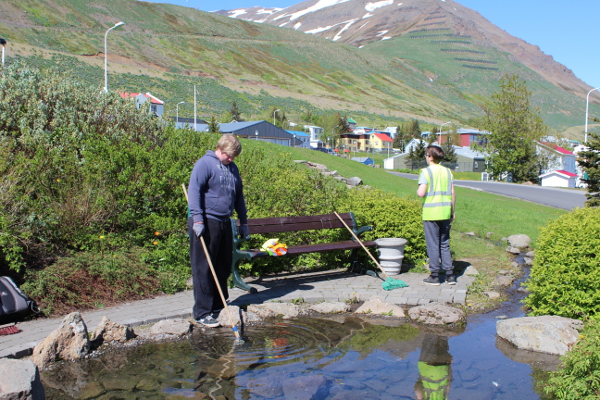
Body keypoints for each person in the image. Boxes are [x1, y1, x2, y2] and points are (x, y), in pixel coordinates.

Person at [187, 134, 249, 327]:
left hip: (224, 221)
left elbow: (238, 196)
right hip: (206, 221)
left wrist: (244, 222)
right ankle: (202, 313)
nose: (230, 160)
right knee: (204, 268)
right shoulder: (205, 164)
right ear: (219, 149)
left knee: (222, 266)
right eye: (228, 156)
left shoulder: (232, 168)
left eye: (233, 157)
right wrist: (197, 219)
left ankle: (218, 305)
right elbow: (194, 190)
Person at [417, 145, 456, 286]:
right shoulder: (447, 172)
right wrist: (452, 211)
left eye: (426, 155)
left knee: (433, 244)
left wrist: (419, 190)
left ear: (430, 156)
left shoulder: (426, 172)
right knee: (444, 244)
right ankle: (450, 275)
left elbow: (421, 193)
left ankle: (434, 275)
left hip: (431, 213)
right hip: (445, 211)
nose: (426, 157)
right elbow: (452, 192)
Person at [414, 333, 453, 400]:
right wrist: (418, 382)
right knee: (429, 337)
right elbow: (418, 390)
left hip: (443, 368)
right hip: (427, 368)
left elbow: (448, 385)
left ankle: (441, 327)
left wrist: (449, 366)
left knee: (442, 338)